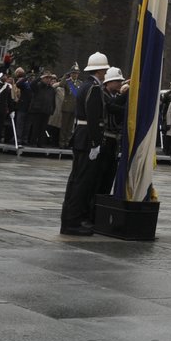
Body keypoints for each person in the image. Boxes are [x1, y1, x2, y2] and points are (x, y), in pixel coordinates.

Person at [59, 53, 124, 235]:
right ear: (101, 69)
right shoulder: (94, 88)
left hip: (82, 136)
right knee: (82, 183)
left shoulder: (86, 86)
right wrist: (96, 142)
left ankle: (70, 220)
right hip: (88, 138)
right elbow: (94, 118)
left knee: (77, 181)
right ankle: (72, 223)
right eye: (104, 69)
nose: (105, 72)